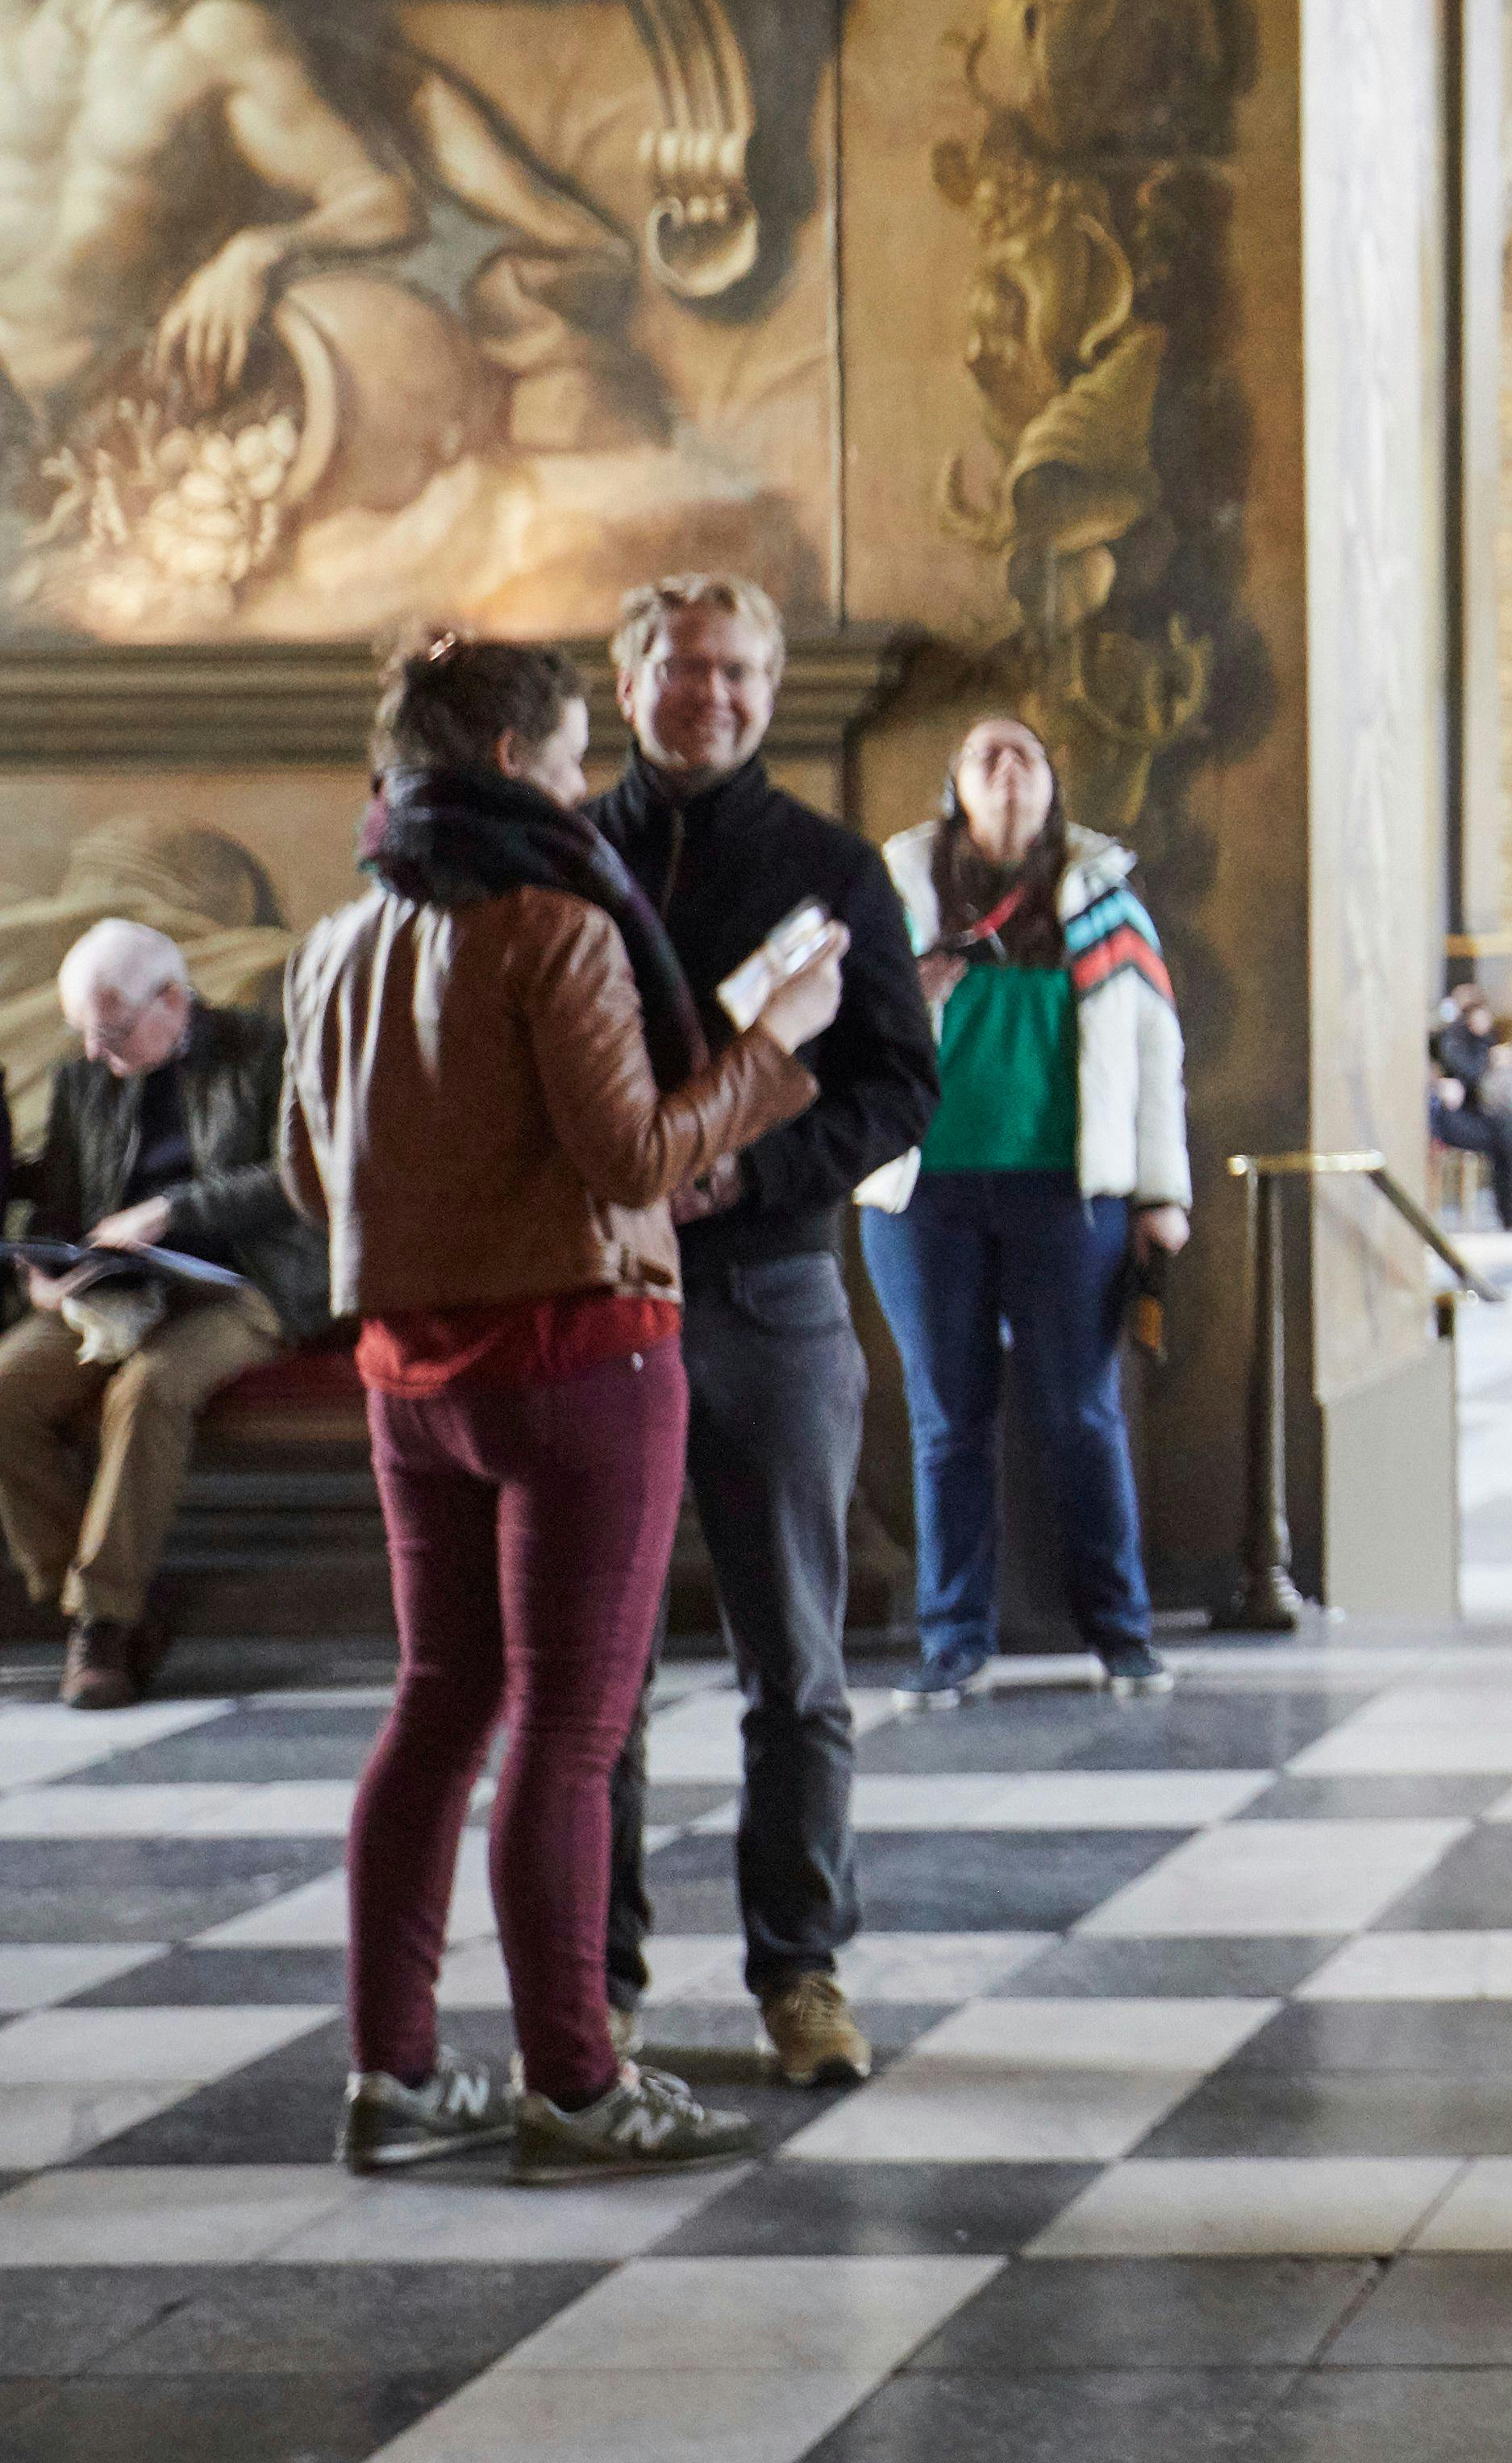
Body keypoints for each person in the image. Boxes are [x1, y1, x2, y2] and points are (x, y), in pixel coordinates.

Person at [279, 629, 843, 2182]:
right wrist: (773, 1051)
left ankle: (393, 2075)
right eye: (578, 756)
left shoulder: (337, 942)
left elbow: (308, 1181)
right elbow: (635, 1159)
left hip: (410, 1372)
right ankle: (578, 2087)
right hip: (583, 1356)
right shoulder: (554, 924)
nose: (587, 786)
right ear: (514, 760)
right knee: (572, 1730)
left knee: (436, 1707)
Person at [581, 574, 936, 2094]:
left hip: (772, 1292)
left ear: (770, 690)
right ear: (628, 682)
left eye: (734, 671)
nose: (707, 693)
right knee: (596, 1673)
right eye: (679, 666)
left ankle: (800, 1970)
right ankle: (595, 1986)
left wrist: (751, 1171)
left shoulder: (830, 865)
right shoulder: (568, 852)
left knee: (794, 1661)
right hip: (597, 1295)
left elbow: (898, 1086)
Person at [853, 716, 1193, 1713]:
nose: (1007, 771)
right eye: (985, 757)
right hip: (924, 1193)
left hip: (1067, 1192)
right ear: (954, 785)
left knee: (1082, 1414)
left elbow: (1156, 1052)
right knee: (947, 1423)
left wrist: (1161, 1193)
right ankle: (954, 1641)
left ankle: (1122, 1634)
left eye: (1025, 757)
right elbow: (823, 1017)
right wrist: (903, 992)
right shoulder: (898, 892)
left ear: (1051, 784)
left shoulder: (1103, 899)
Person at [2, 922, 327, 1707]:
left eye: (112, 1032)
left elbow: (301, 1176)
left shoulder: (266, 1051)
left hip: (246, 1284)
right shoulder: (86, 1077)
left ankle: (103, 1625)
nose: (94, 1051)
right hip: (117, 1291)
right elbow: (63, 1202)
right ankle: (94, 1600)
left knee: (148, 1388)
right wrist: (45, 1272)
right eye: (85, 1032)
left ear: (174, 1000)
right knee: (5, 1390)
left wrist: (171, 1210)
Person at [1428, 986, 1512, 1231]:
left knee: (1507, 1129)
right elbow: (1471, 1076)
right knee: (1505, 1135)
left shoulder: (1483, 1041)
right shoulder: (1453, 1040)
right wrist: (1490, 1059)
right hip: (1452, 1119)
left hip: (1477, 1115)